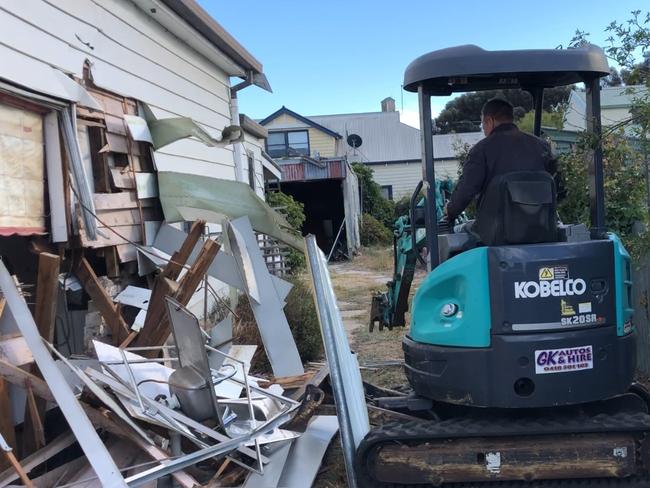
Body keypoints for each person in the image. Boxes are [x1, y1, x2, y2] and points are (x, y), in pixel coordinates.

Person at [445, 98, 559, 235]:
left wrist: (450, 211)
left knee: (458, 232)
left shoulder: (481, 150)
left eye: (483, 125)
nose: (484, 130)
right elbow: (558, 184)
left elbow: (466, 190)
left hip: (497, 232)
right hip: (542, 227)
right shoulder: (542, 146)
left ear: (489, 121)